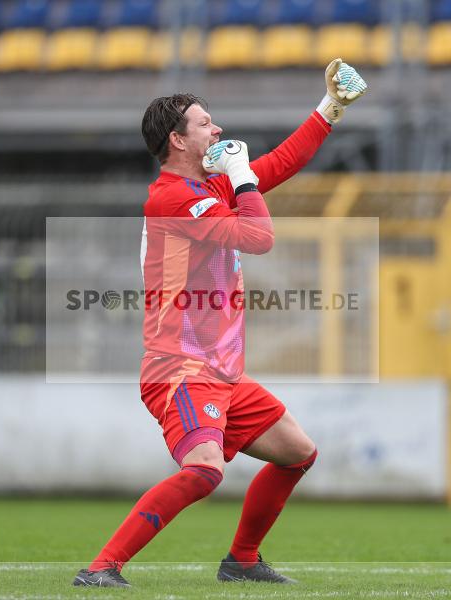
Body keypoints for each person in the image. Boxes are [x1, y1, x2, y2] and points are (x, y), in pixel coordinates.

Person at [73, 59, 367, 588]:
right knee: (206, 469)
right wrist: (242, 176)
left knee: (298, 453)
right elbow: (260, 238)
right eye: (206, 123)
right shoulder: (172, 197)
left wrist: (331, 108)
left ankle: (242, 562)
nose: (219, 130)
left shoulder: (208, 189)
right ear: (177, 141)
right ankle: (101, 568)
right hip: (179, 367)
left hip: (221, 370)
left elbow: (277, 164)